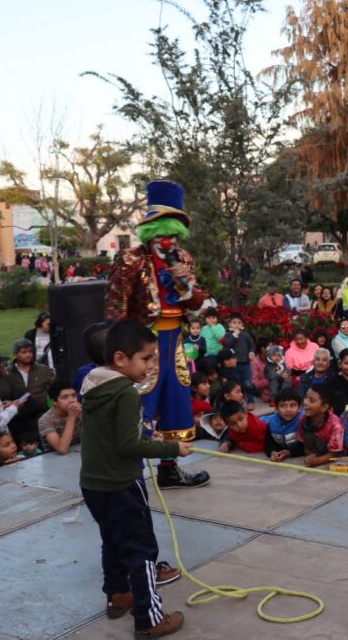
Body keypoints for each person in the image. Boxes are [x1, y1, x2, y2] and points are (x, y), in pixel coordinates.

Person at [78, 320, 190, 637]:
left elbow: (112, 434)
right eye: (146, 359)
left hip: (94, 485)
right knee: (142, 551)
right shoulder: (126, 392)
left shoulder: (92, 383)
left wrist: (140, 431)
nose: (151, 366)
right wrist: (173, 447)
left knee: (113, 541)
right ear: (119, 359)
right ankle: (149, 618)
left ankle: (117, 595)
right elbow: (129, 446)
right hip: (122, 485)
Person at [104, 180, 210, 489]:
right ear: (151, 233)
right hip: (140, 343)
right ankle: (129, 475)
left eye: (174, 235)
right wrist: (120, 352)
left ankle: (168, 469)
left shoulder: (184, 260)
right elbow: (115, 308)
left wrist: (184, 284)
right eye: (162, 234)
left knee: (174, 400)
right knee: (139, 404)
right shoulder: (130, 259)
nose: (168, 241)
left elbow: (196, 302)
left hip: (174, 338)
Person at [0, 338, 55, 447]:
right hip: (18, 420)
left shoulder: (43, 370)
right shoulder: (7, 373)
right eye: (24, 352)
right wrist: (12, 403)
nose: (28, 355)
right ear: (15, 354)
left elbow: (56, 389)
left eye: (30, 351)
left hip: (40, 415)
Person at [298, 383, 345, 467]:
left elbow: (333, 455)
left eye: (311, 401)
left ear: (324, 407)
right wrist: (311, 455)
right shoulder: (303, 419)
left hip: (334, 458)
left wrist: (316, 461)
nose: (305, 402)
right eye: (306, 397)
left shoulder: (335, 425)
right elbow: (304, 445)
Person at [37, 379, 82, 454]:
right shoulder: (45, 420)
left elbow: (96, 437)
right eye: (65, 397)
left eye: (74, 396)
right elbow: (62, 449)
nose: (72, 400)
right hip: (55, 461)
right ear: (54, 402)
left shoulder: (79, 411)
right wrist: (71, 418)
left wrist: (82, 415)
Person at [223, 314, 256, 408]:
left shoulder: (245, 335)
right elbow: (228, 344)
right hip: (234, 365)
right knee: (236, 383)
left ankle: (250, 401)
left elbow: (251, 346)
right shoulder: (228, 335)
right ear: (230, 324)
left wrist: (251, 353)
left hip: (245, 363)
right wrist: (235, 335)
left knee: (247, 382)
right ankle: (238, 400)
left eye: (239, 323)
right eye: (234, 323)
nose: (236, 325)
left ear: (242, 324)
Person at [262, 388, 304, 462]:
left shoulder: (303, 422)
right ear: (276, 409)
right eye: (283, 406)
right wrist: (272, 452)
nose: (288, 410)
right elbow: (268, 444)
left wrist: (289, 452)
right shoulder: (272, 424)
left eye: (293, 405)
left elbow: (306, 446)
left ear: (299, 408)